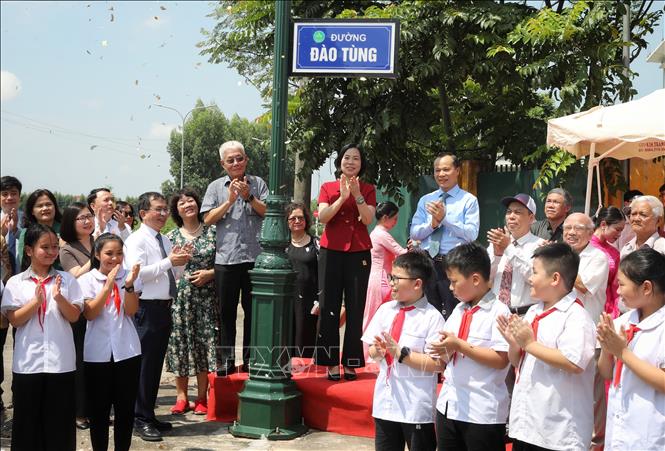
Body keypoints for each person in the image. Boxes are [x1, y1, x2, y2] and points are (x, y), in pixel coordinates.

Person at [497, 243, 596, 450]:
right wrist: (515, 345)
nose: (530, 278)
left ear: (555, 279)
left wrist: (529, 344)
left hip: (557, 432)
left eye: (535, 272)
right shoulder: (534, 311)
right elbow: (519, 362)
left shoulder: (576, 317)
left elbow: (574, 362)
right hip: (527, 423)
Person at [1, 224, 83, 450]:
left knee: (60, 424)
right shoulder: (16, 282)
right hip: (28, 363)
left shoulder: (67, 280)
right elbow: (15, 320)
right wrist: (35, 302)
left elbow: (74, 316)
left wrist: (59, 298)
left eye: (55, 247)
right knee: (27, 423)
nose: (51, 252)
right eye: (44, 247)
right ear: (28, 250)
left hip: (61, 362)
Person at [430, 242, 511, 451]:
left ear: (475, 279)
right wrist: (443, 350)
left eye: (454, 281)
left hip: (481, 411)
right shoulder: (458, 310)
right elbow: (448, 352)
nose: (450, 287)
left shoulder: (499, 312)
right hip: (449, 405)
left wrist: (459, 345)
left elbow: (501, 359)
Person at [124, 192, 190, 442]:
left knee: (154, 367)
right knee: (143, 367)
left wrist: (180, 262)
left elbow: (174, 275)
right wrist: (168, 262)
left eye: (165, 210)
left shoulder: (163, 238)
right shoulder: (136, 240)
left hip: (163, 307)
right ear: (143, 214)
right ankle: (139, 418)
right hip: (145, 308)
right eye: (158, 209)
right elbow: (137, 276)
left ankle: (148, 414)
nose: (163, 214)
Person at [362, 251, 444, 451]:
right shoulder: (385, 310)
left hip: (414, 406)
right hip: (385, 403)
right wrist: (378, 351)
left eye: (396, 278)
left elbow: (437, 364)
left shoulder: (432, 318)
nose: (391, 283)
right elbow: (371, 349)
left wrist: (401, 354)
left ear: (417, 284)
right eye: (391, 277)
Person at [201, 140, 268, 376]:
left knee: (253, 312)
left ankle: (250, 361)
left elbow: (268, 212)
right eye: (230, 160)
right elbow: (207, 219)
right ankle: (226, 361)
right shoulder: (215, 187)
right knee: (225, 314)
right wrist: (229, 200)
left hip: (254, 259)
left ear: (246, 159)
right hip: (226, 260)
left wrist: (249, 197)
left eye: (240, 158)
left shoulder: (258, 183)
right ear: (223, 164)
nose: (236, 163)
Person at [315, 143, 376, 381]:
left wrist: (358, 195)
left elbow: (368, 218)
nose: (351, 162)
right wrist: (342, 198)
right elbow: (322, 216)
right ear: (339, 161)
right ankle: (330, 362)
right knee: (328, 306)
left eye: (356, 159)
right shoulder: (327, 187)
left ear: (362, 164)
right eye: (347, 158)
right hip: (331, 250)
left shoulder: (369, 188)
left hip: (359, 251)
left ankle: (351, 362)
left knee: (355, 307)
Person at [78, 234, 142, 451]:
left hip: (127, 351)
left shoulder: (130, 276)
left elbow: (131, 311)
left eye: (119, 253)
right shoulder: (85, 281)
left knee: (125, 410)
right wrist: (107, 286)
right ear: (97, 255)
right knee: (99, 411)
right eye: (109, 253)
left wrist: (130, 286)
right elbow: (90, 313)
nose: (115, 258)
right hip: (97, 353)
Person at [597, 248, 665, 450]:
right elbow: (606, 372)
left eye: (622, 285)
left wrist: (622, 352)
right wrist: (607, 347)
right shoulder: (623, 322)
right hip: (619, 430)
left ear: (646, 288)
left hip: (650, 434)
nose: (617, 291)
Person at [165, 189, 217, 415]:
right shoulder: (170, 238)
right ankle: (181, 396)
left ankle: (202, 397)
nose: (187, 205)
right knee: (180, 346)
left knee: (204, 345)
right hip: (180, 301)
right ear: (176, 210)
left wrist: (210, 273)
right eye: (182, 203)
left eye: (191, 200)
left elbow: (225, 264)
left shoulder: (213, 232)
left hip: (206, 299)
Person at [410, 153, 480, 318]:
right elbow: (414, 232)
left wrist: (445, 219)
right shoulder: (426, 200)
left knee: (453, 312)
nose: (441, 174)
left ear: (457, 171)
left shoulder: (468, 200)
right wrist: (433, 224)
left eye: (446, 169)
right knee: (427, 313)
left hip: (454, 264)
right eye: (437, 170)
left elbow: (471, 234)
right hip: (428, 262)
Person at [562, 212, 610, 450]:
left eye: (577, 228)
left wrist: (562, 266)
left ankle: (596, 441)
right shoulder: (560, 257)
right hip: (562, 331)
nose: (571, 232)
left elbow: (583, 286)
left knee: (593, 393)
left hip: (590, 332)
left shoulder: (598, 257)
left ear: (591, 233)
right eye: (567, 228)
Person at [59, 202, 96, 430]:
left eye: (89, 216)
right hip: (80, 312)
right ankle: (79, 413)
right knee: (81, 363)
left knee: (98, 362)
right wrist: (98, 256)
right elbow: (76, 276)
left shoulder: (98, 240)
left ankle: (96, 409)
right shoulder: (67, 249)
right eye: (81, 218)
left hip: (102, 310)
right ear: (70, 223)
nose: (87, 221)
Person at [487, 193, 542, 315]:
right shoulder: (497, 242)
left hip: (525, 315)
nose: (511, 216)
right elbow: (485, 279)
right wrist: (496, 256)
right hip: (496, 314)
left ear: (531, 218)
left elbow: (534, 278)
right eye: (509, 212)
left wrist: (508, 248)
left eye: (518, 212)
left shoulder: (540, 245)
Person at [363, 201, 406, 332]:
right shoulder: (382, 234)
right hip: (382, 281)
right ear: (385, 217)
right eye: (395, 218)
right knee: (378, 317)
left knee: (374, 316)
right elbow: (402, 252)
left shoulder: (377, 233)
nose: (396, 222)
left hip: (378, 278)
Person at [285, 202, 319, 359]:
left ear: (306, 220)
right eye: (292, 218)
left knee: (306, 338)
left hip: (310, 302)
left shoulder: (316, 244)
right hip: (287, 301)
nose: (297, 221)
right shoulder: (281, 245)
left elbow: (323, 274)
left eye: (301, 217)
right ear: (287, 222)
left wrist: (320, 300)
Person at [590, 207, 626, 318]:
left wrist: (615, 311)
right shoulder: (584, 245)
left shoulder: (614, 253)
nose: (620, 234)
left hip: (606, 310)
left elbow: (615, 286)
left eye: (622, 230)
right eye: (617, 229)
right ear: (603, 224)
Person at [16, 188, 62, 270]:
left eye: (48, 204)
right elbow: (25, 262)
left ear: (55, 207)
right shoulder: (27, 233)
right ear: (32, 211)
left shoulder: (65, 228)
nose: (45, 208)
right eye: (40, 206)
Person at [1, 175, 23, 274]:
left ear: (19, 197)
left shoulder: (29, 220)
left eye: (13, 193)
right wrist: (1, 236)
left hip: (23, 279)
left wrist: (15, 230)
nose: (9, 198)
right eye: (5, 194)